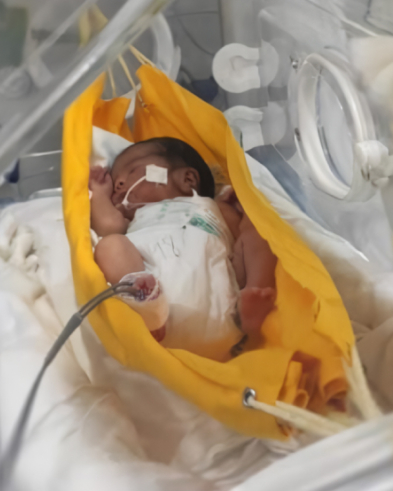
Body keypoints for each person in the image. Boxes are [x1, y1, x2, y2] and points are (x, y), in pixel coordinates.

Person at [88, 137, 277, 360]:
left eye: (131, 170)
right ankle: (146, 306)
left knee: (257, 233)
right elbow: (108, 226)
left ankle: (254, 296)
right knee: (110, 245)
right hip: (154, 301)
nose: (118, 183)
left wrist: (244, 205)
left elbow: (245, 236)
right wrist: (100, 193)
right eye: (115, 182)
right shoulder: (133, 219)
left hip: (223, 305)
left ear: (187, 179)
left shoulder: (212, 207)